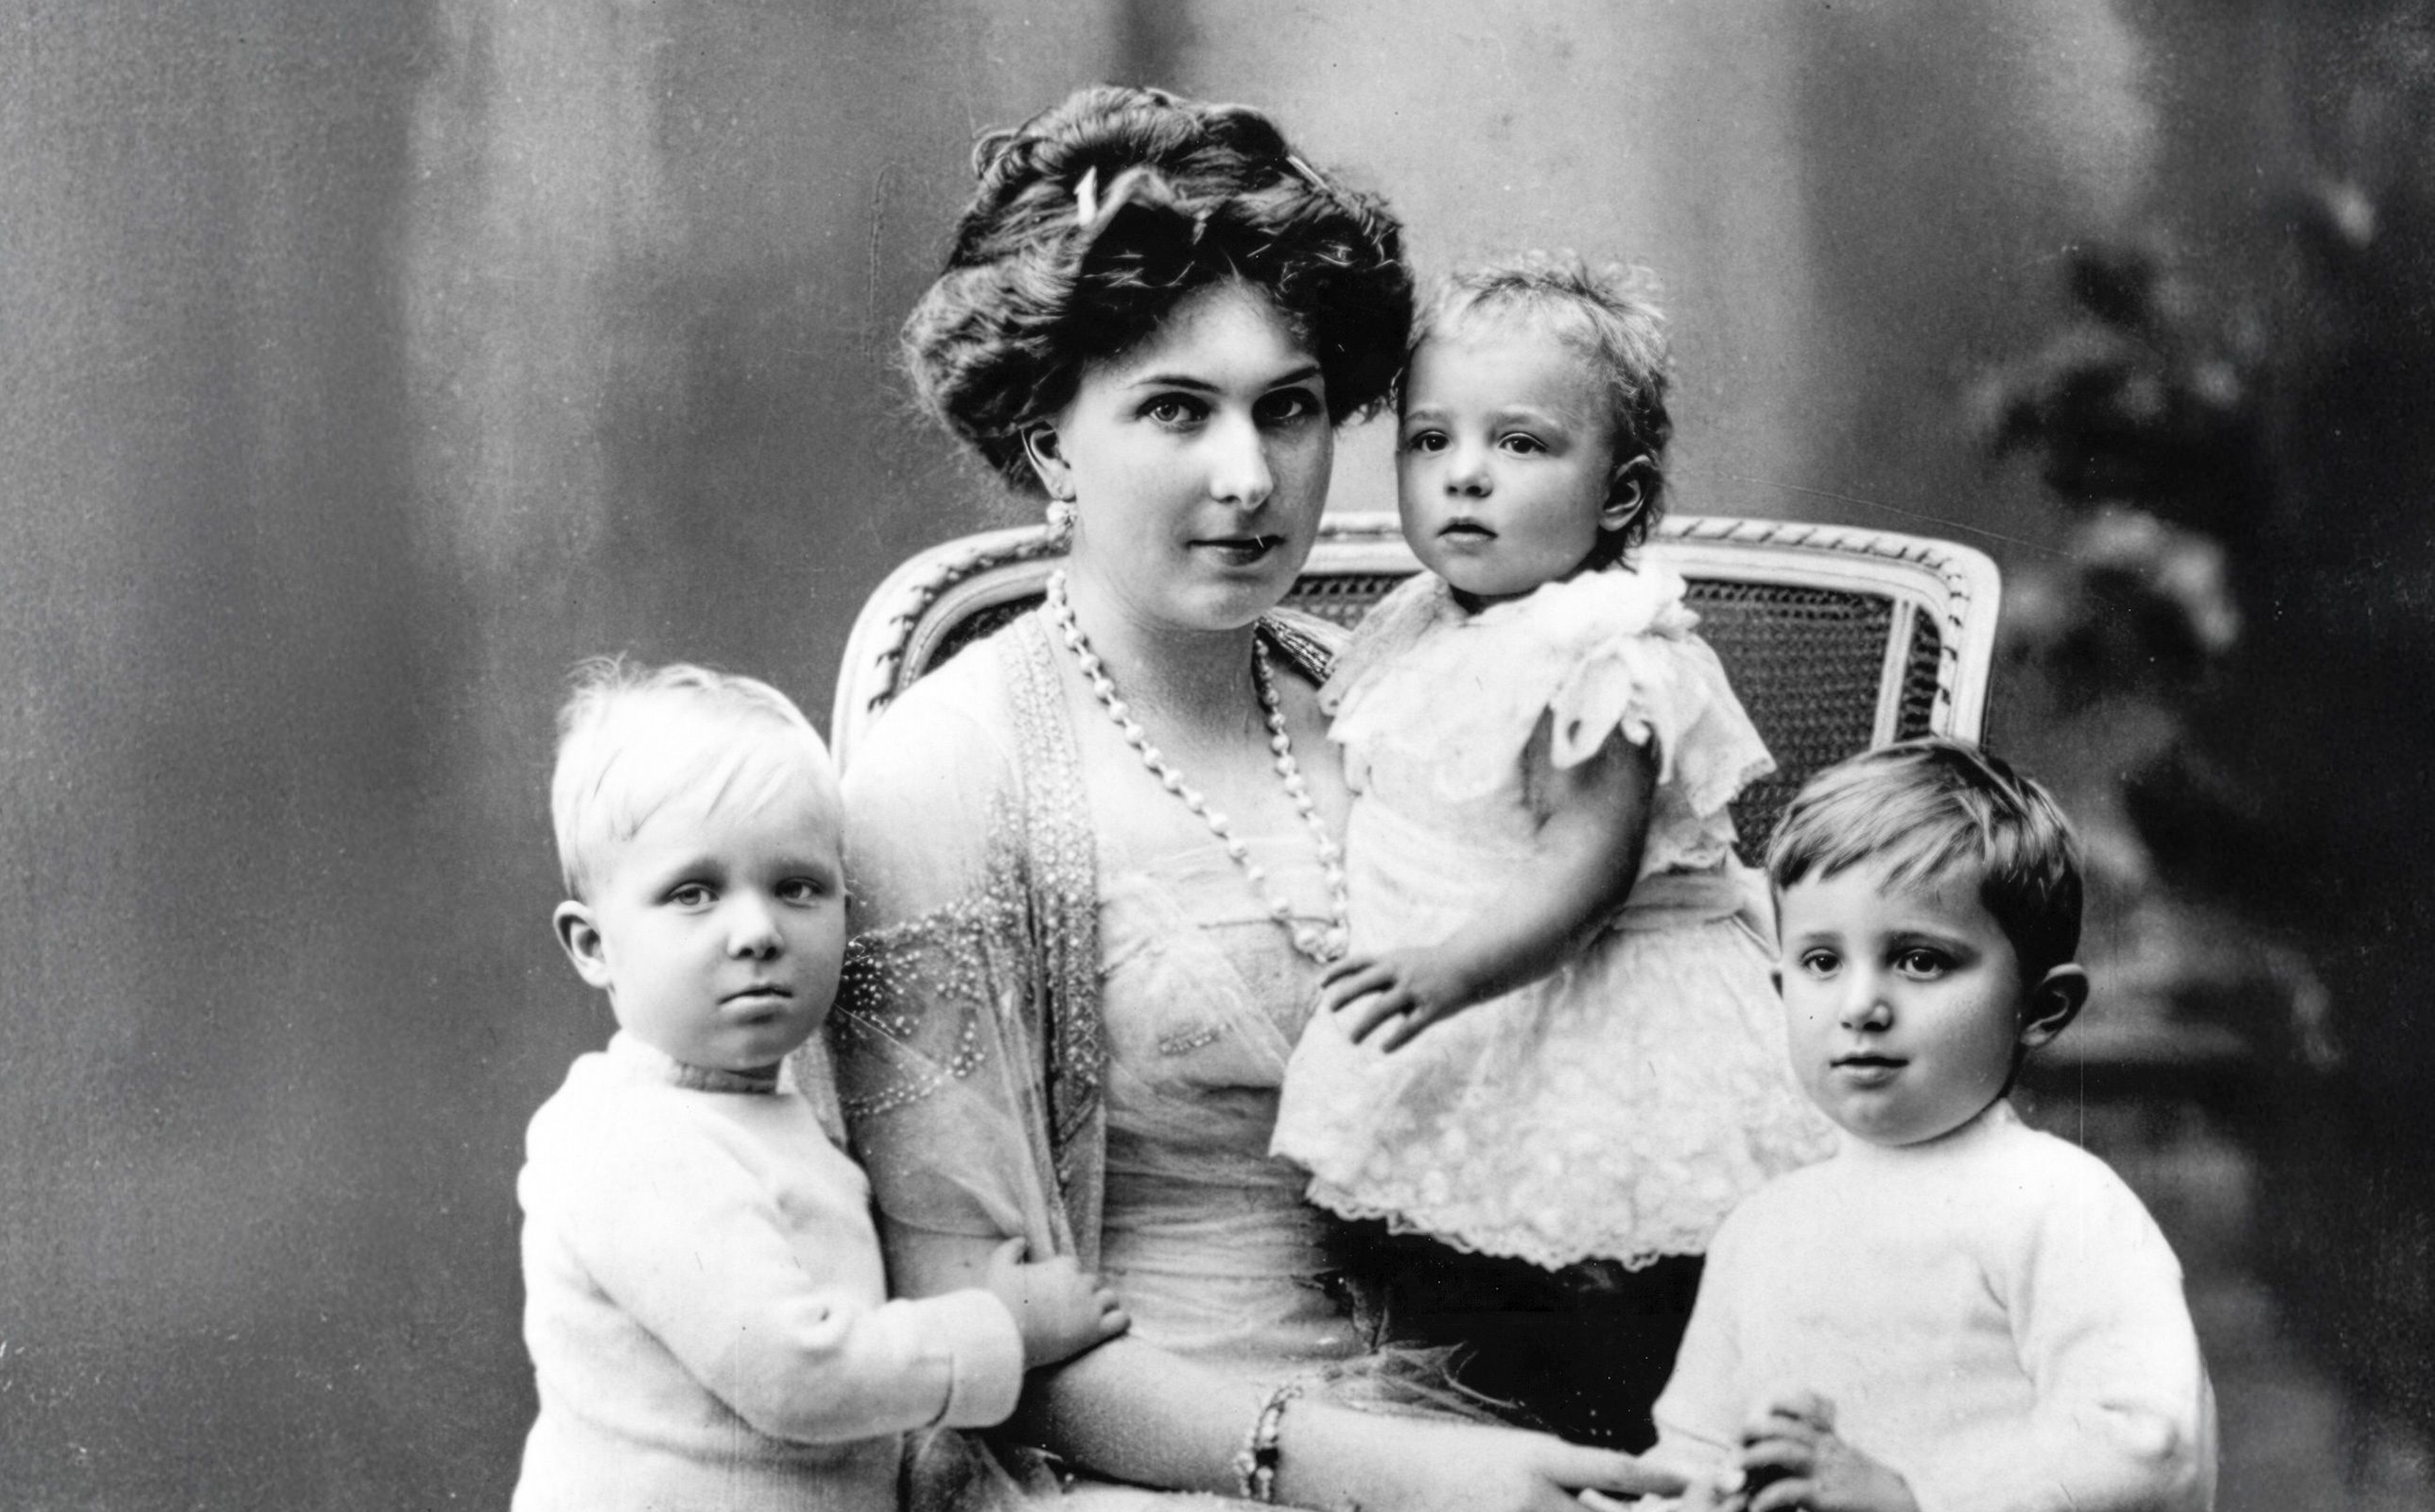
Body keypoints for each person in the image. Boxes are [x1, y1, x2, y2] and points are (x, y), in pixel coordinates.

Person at [827, 86, 1685, 1510]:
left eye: (1287, 408)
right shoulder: (944, 774)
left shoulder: (1403, 699)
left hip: (1512, 1420)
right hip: (1147, 1466)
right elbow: (968, 1330)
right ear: (1049, 439)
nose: (1249, 478)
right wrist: (1399, 1475)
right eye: (1177, 410)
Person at [1268, 255, 1833, 1447]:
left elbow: (1588, 867)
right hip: (1482, 994)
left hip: (1589, 1005)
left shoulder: (1600, 650)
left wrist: (1449, 970)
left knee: (1605, 1271)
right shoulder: (1426, 623)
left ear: (1618, 498)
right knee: (1470, 1293)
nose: (1464, 474)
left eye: (1520, 444)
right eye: (1431, 441)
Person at [513, 660, 1127, 1511]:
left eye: (797, 886)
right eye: (693, 894)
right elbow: (793, 1375)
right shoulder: (631, 1139)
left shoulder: (767, 1112)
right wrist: (1008, 1329)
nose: (757, 930)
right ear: (593, 945)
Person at [1647, 739, 2215, 1512]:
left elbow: (2147, 1444)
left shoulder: (2058, 1201)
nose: (1859, 1006)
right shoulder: (1760, 1227)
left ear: (2041, 1007)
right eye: (1821, 962)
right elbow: (1695, 1451)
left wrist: (1916, 1498)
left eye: (1919, 960)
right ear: (1779, 989)